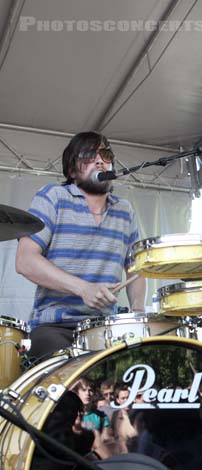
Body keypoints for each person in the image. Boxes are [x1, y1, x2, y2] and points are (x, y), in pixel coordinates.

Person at [15, 131, 146, 361]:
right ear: (72, 170)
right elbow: (25, 261)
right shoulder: (53, 197)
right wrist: (83, 288)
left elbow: (136, 268)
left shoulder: (125, 211)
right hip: (55, 327)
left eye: (105, 155)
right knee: (72, 379)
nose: (100, 160)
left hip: (105, 329)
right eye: (88, 155)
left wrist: (138, 310)